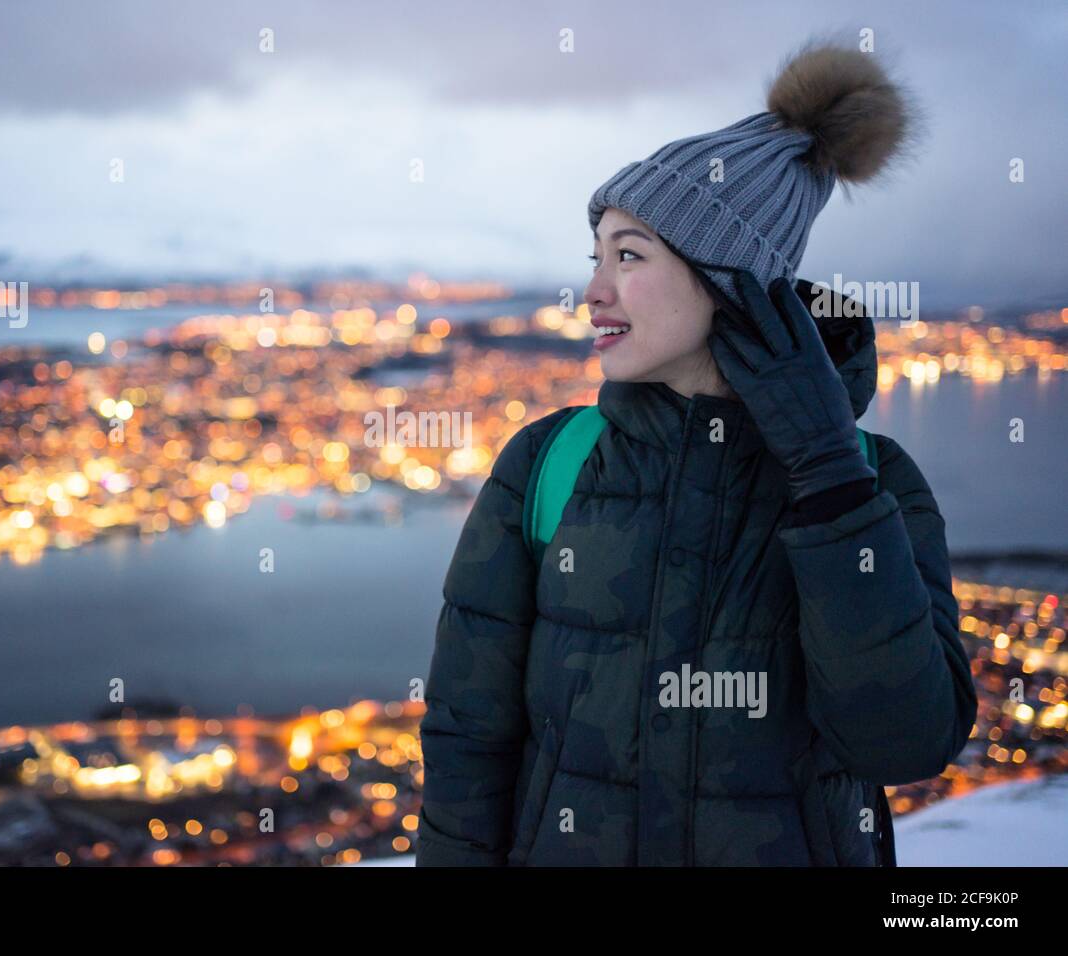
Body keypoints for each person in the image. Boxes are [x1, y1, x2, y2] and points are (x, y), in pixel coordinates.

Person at [415, 37, 978, 866]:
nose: (594, 292)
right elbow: (469, 743)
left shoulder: (871, 479)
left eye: (629, 256)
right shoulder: (549, 464)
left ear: (733, 280)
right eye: (595, 256)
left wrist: (826, 473)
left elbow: (905, 743)